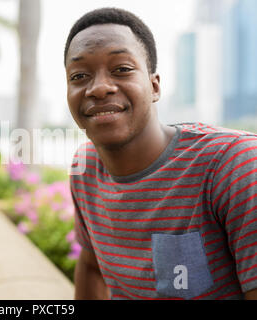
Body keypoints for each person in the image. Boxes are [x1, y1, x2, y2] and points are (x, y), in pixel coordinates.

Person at [65, 7, 257, 300]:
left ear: (154, 86)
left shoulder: (234, 164)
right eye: (79, 75)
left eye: (122, 69)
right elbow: (92, 266)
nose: (99, 88)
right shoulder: (86, 166)